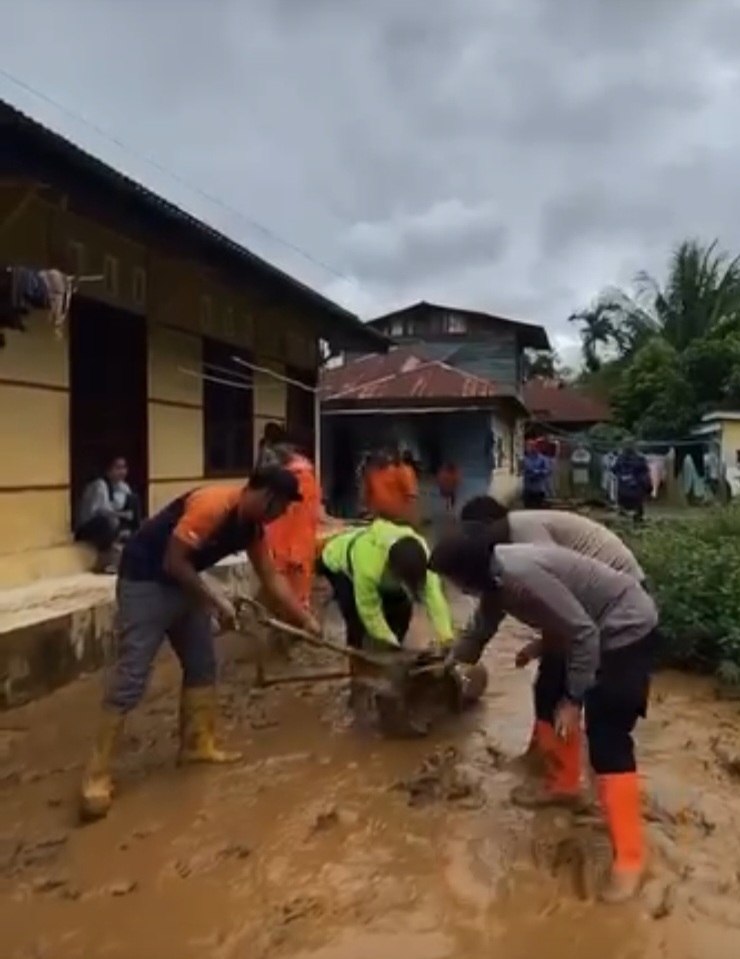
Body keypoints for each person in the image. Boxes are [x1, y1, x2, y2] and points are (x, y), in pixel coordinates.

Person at [78, 466, 321, 823]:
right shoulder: (213, 505)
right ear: (267, 497)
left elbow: (271, 577)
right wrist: (216, 600)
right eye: (282, 506)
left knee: (202, 664)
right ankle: (95, 775)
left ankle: (196, 745)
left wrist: (305, 619)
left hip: (183, 584)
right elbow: (173, 561)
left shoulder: (251, 529)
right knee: (132, 674)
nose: (283, 515)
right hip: (145, 581)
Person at [429, 528, 658, 903]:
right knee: (546, 692)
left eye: (452, 582)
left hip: (625, 627)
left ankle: (630, 861)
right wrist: (449, 663)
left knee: (607, 732)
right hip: (586, 629)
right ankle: (566, 786)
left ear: (468, 574)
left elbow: (583, 632)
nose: (454, 589)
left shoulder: (520, 575)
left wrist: (574, 699)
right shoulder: (495, 578)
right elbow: (481, 630)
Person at [458, 494, 649, 761]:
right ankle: (548, 761)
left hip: (617, 602)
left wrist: (547, 648)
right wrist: (455, 665)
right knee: (552, 686)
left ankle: (561, 775)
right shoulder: (500, 557)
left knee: (567, 688)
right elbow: (487, 617)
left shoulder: (524, 538)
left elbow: (560, 604)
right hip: (592, 604)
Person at [317, 518, 454, 654]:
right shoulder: (368, 567)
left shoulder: (423, 557)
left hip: (384, 569)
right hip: (340, 562)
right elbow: (370, 612)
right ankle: (358, 662)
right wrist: (389, 642)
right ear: (392, 572)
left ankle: (390, 652)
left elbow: (435, 598)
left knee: (401, 611)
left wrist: (446, 637)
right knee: (358, 623)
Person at [263, 442, 322, 610]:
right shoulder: (298, 478)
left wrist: (295, 552)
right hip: (286, 549)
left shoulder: (299, 480)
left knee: (296, 599)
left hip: (292, 551)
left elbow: (300, 519)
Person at [75, 456, 141, 574]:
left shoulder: (123, 486)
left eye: (124, 468)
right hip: (90, 526)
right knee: (105, 522)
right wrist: (122, 515)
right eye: (117, 468)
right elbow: (100, 510)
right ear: (108, 470)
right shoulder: (99, 485)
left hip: (114, 522)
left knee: (134, 502)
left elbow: (128, 508)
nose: (122, 472)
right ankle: (105, 561)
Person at [362, 448, 418, 525]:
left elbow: (411, 497)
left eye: (384, 452)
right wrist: (367, 511)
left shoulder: (402, 471)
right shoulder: (371, 474)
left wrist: (408, 519)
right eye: (378, 453)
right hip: (379, 518)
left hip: (399, 518)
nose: (380, 455)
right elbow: (367, 495)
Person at [614, 441, 651, 523]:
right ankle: (638, 516)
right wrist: (649, 489)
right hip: (636, 493)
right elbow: (645, 476)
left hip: (623, 493)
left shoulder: (620, 459)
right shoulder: (640, 460)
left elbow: (614, 470)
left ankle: (624, 514)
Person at [520, 440, 552, 509]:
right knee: (528, 510)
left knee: (538, 510)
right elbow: (522, 471)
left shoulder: (543, 459)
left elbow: (548, 471)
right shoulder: (524, 459)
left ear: (536, 447)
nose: (530, 448)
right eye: (528, 446)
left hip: (539, 489)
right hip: (528, 489)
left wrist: (538, 472)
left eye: (532, 446)